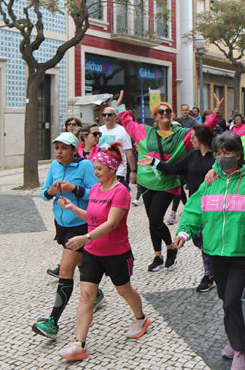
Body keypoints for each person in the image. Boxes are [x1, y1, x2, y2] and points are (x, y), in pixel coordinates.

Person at [174, 132, 245, 370]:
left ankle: (241, 349)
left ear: (239, 154)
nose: (222, 157)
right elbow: (195, 207)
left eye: (227, 153)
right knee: (224, 299)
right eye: (218, 153)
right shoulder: (212, 180)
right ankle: (234, 339)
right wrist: (184, 231)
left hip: (244, 254)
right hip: (215, 251)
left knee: (234, 300)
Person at [56, 143, 151, 362]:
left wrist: (84, 238)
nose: (95, 172)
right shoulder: (97, 190)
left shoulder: (121, 192)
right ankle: (79, 344)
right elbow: (92, 218)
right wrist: (72, 207)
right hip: (92, 252)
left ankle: (141, 318)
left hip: (116, 252)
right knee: (86, 294)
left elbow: (110, 224)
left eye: (99, 168)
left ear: (111, 169)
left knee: (124, 290)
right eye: (95, 168)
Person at [116, 90, 223, 272]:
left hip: (168, 182)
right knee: (152, 220)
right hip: (147, 181)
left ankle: (171, 247)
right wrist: (119, 106)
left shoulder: (182, 134)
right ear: (155, 117)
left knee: (157, 217)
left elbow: (204, 129)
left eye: (167, 112)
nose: (164, 114)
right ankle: (158, 255)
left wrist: (216, 113)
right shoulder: (145, 131)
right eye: (161, 112)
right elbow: (127, 122)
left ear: (172, 115)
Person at [33, 132, 103, 340]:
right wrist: (52, 192)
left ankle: (53, 322)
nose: (59, 152)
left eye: (64, 148)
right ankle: (97, 294)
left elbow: (97, 193)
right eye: (57, 148)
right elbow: (43, 193)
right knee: (79, 261)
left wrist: (75, 189)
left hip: (80, 224)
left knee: (65, 269)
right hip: (61, 225)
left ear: (74, 150)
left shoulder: (85, 167)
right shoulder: (54, 166)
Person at [139, 124, 216, 292]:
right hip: (196, 206)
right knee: (198, 239)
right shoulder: (192, 155)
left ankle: (209, 275)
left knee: (207, 240)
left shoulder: (217, 157)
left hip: (214, 205)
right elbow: (174, 168)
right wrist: (155, 162)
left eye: (193, 137)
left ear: (201, 138)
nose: (191, 140)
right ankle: (214, 265)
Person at [99, 108, 136, 190]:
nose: (107, 117)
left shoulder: (122, 131)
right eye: (104, 115)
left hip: (118, 171)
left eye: (109, 115)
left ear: (115, 116)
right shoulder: (99, 130)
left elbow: (128, 152)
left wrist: (133, 171)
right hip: (101, 170)